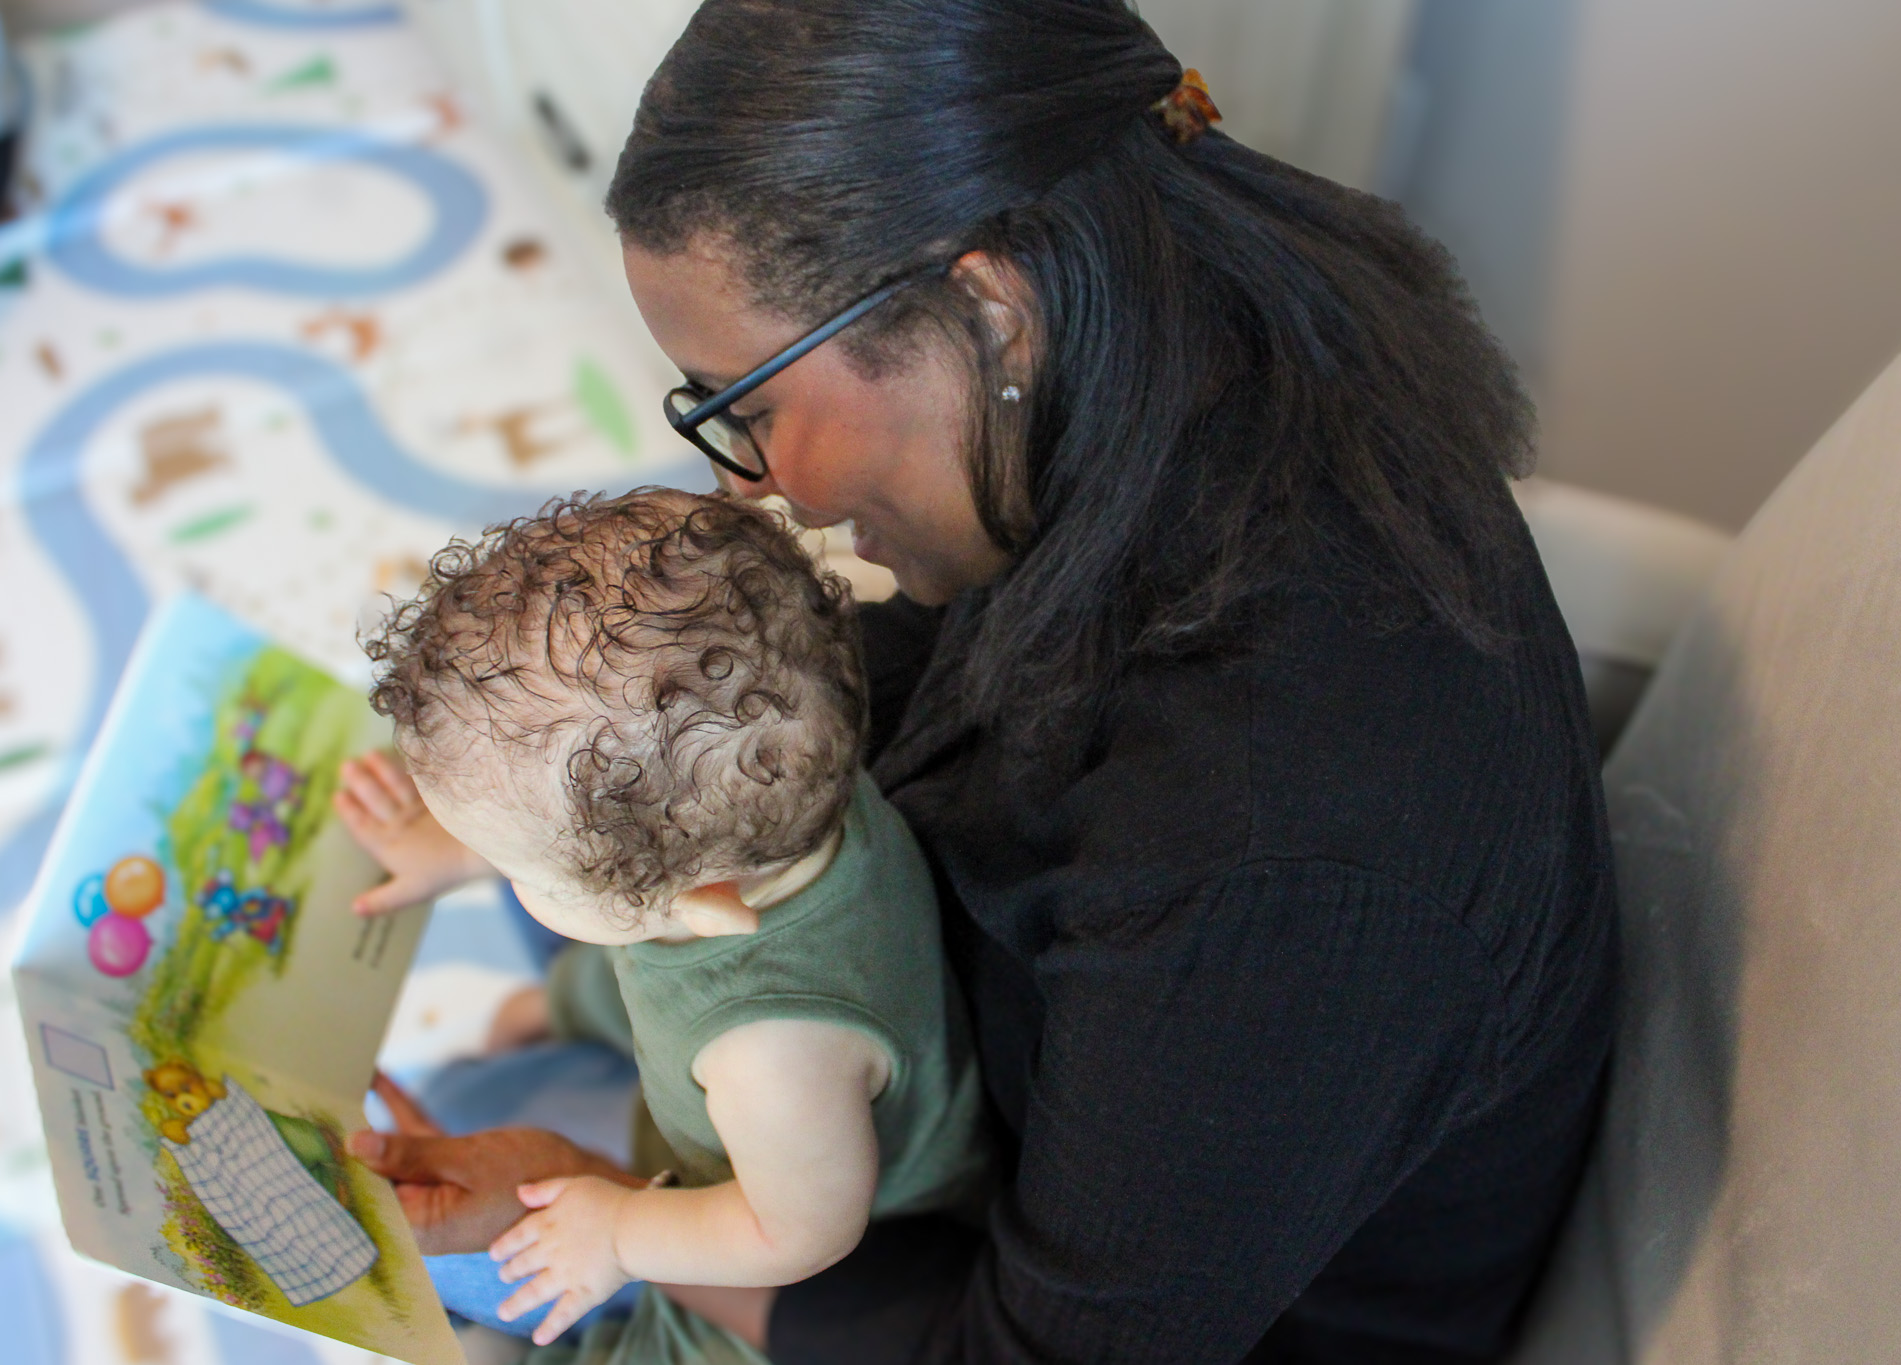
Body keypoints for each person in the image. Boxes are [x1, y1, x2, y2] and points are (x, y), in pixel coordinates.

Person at [350, 1, 1618, 1360]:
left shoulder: (1276, 849)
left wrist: (606, 1208)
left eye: (748, 406)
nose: (750, 486)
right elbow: (896, 692)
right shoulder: (1147, 412)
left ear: (987, 306)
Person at [336, 490, 986, 1358]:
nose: (492, 870)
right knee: (572, 935)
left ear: (700, 905)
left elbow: (799, 1235)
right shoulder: (780, 781)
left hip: (778, 1248)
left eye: (513, 866)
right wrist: (465, 858)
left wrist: (619, 1230)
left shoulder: (770, 1057)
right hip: (710, 1077)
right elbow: (649, 909)